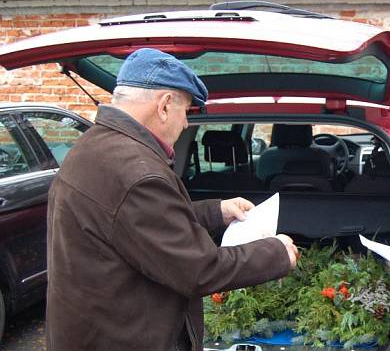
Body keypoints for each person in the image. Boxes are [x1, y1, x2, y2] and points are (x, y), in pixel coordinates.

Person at [46, 48, 299, 350]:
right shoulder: (136, 172)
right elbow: (199, 270)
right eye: (186, 112)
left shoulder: (93, 146)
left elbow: (135, 223)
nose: (185, 125)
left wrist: (216, 211)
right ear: (165, 105)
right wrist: (276, 253)